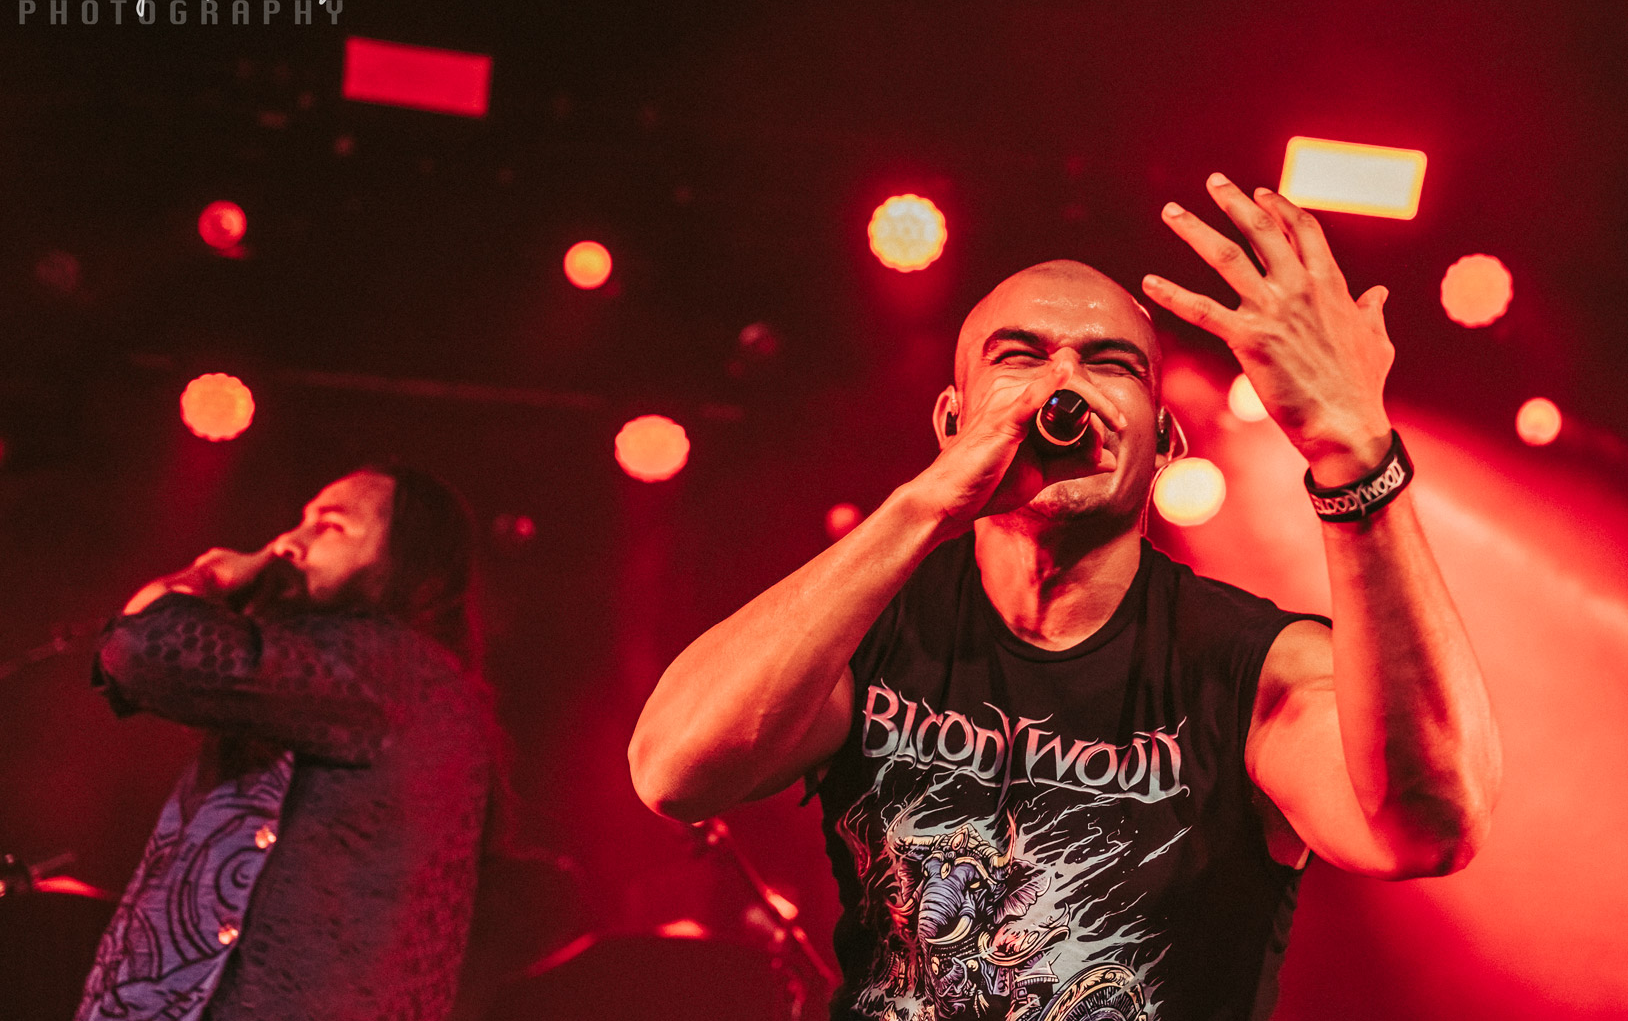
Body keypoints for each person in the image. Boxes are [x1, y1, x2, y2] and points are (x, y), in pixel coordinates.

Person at [629, 175, 1502, 1021]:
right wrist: (929, 501)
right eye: (1022, 357)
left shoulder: (1253, 667)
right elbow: (675, 771)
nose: (1066, 384)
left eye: (1110, 364)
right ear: (952, 420)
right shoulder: (870, 630)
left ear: (1164, 440)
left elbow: (1432, 828)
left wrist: (1355, 454)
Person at [76, 464, 501, 1021]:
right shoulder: (346, 675)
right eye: (301, 520)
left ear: (407, 561)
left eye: (331, 526)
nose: (286, 543)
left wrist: (209, 577)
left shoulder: (390, 667)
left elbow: (144, 645)